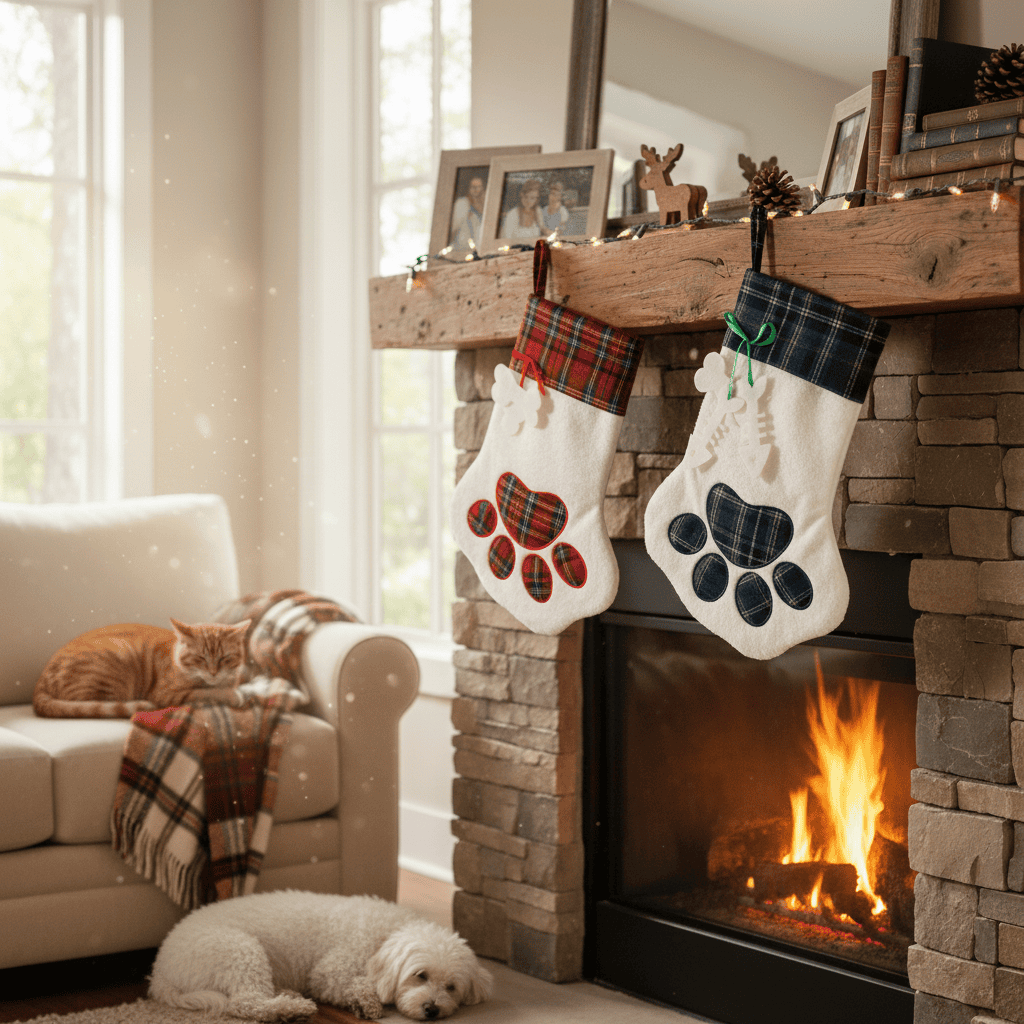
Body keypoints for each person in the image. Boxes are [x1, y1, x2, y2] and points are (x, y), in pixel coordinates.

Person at [449, 174, 485, 252]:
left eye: (479, 186)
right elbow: (455, 228)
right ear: (469, 188)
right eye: (473, 187)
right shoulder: (462, 203)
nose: (476, 189)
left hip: (480, 250)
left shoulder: (486, 205)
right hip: (463, 249)